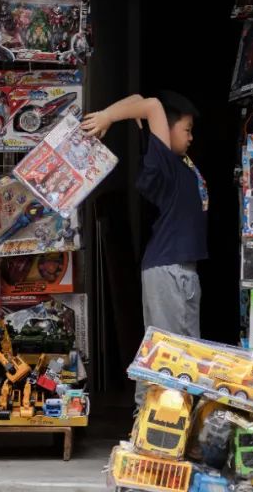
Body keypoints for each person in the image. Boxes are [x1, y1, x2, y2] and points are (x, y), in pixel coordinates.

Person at [82, 92, 208, 406]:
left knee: (171, 350)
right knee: (171, 352)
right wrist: (108, 115)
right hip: (171, 269)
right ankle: (153, 420)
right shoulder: (163, 162)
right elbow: (151, 104)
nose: (191, 137)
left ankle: (152, 420)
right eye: (187, 129)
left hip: (175, 268)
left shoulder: (174, 163)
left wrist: (128, 113)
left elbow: (140, 101)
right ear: (167, 128)